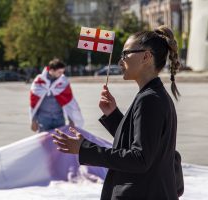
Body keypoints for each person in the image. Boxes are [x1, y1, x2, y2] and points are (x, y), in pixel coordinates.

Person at [52, 25, 183, 199]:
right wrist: (113, 115)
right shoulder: (152, 95)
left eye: (126, 54)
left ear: (146, 57)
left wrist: (85, 149)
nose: (120, 62)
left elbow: (139, 159)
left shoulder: (150, 99)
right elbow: (142, 142)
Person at [30, 58, 84, 132]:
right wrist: (33, 120)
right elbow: (34, 103)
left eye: (62, 72)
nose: (62, 74)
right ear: (51, 70)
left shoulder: (63, 81)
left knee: (60, 142)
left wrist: (71, 120)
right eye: (59, 72)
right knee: (45, 143)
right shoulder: (39, 81)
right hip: (43, 119)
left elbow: (69, 102)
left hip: (59, 119)